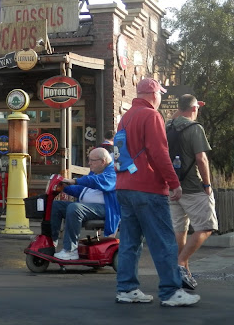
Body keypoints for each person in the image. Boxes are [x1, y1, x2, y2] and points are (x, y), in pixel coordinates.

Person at [115, 78, 199, 307]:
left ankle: (126, 289)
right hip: (147, 187)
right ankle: (171, 292)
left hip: (124, 185)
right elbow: (159, 152)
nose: (161, 98)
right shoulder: (151, 116)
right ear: (153, 95)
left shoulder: (126, 117)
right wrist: (174, 183)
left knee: (130, 242)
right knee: (163, 241)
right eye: (160, 94)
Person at [166, 94, 217, 290]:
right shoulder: (195, 128)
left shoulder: (168, 127)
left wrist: (191, 105)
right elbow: (201, 159)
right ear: (194, 109)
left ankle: (183, 273)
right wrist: (207, 185)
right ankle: (180, 263)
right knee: (207, 227)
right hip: (193, 187)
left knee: (180, 229)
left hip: (172, 187)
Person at [51, 147, 120, 260]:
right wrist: (64, 187)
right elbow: (81, 190)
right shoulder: (94, 173)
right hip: (89, 208)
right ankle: (51, 243)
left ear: (102, 161)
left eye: (92, 160)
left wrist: (75, 181)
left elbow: (96, 181)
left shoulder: (113, 172)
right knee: (57, 205)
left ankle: (70, 250)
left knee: (75, 208)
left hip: (106, 209)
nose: (89, 163)